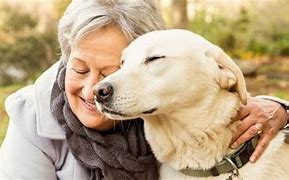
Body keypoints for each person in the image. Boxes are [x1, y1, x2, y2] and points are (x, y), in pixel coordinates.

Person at [0, 0, 288, 179]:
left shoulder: (154, 107)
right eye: (79, 68)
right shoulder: (32, 117)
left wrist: (281, 109)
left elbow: (201, 93)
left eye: (112, 69)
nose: (95, 88)